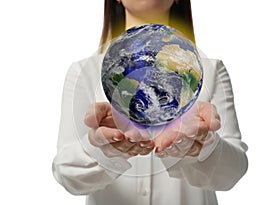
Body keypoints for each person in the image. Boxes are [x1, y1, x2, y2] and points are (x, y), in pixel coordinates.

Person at [52, 0, 248, 205]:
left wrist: (202, 146)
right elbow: (67, 175)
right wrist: (103, 151)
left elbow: (233, 173)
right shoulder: (84, 72)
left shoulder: (209, 70)